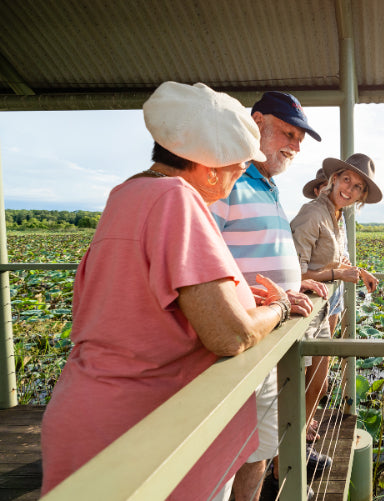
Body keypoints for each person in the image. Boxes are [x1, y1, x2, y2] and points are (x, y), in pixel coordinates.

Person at [40, 82, 291, 501]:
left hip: (91, 413)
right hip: (142, 431)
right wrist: (278, 308)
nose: (239, 177)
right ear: (210, 170)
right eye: (239, 168)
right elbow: (231, 334)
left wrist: (239, 296)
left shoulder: (128, 192)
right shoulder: (178, 199)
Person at [209, 91, 330, 501]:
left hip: (267, 342)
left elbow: (257, 251)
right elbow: (202, 266)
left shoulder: (268, 185)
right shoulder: (223, 180)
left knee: (258, 452)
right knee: (221, 462)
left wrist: (294, 285)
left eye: (299, 139)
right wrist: (266, 301)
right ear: (257, 122)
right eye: (288, 134)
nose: (296, 146)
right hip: (233, 351)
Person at [290, 153, 382, 454]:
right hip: (304, 312)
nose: (349, 189)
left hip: (323, 309)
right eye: (346, 180)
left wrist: (359, 271)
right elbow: (295, 274)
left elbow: (335, 260)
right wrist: (338, 275)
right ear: (333, 179)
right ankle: (288, 459)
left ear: (361, 197)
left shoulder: (336, 216)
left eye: (358, 187)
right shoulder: (312, 213)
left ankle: (301, 435)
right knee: (301, 384)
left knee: (319, 383)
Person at [301, 168, 351, 337]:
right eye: (326, 188)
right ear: (317, 191)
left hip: (335, 291)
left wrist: (343, 263)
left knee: (328, 344)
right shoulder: (311, 216)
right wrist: (340, 268)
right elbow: (304, 265)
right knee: (314, 346)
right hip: (316, 294)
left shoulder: (340, 218)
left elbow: (340, 256)